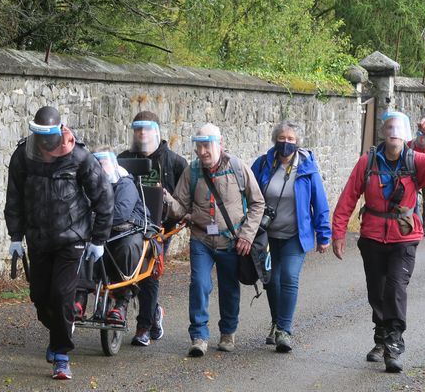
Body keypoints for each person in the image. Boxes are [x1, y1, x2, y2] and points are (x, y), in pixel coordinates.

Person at [332, 112, 425, 373]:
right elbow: (348, 197)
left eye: (398, 128)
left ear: (407, 134)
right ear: (383, 132)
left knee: (396, 288)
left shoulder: (415, 161)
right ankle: (381, 337)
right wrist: (338, 232)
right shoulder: (367, 162)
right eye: (389, 127)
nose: (393, 132)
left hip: (404, 238)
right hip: (372, 237)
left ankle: (394, 344)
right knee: (377, 291)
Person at [4, 106, 113, 380]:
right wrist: (15, 236)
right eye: (38, 137)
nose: (44, 145)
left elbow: (103, 197)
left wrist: (98, 239)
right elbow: (14, 198)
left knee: (62, 295)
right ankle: (57, 337)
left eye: (48, 138)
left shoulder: (79, 157)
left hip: (71, 239)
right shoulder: (23, 156)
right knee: (40, 297)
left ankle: (62, 356)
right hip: (38, 239)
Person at [164, 123, 264, 357]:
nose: (202, 151)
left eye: (207, 145)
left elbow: (258, 204)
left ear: (220, 144)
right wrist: (166, 199)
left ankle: (228, 331)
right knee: (199, 284)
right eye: (198, 146)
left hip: (231, 241)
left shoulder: (238, 168)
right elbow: (180, 208)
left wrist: (247, 235)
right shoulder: (192, 171)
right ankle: (199, 336)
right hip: (201, 239)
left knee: (229, 288)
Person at [251, 121, 331, 353]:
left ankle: (284, 330)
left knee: (288, 276)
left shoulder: (307, 168)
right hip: (266, 236)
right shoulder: (263, 164)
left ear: (298, 143)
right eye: (282, 138)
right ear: (275, 139)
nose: (286, 143)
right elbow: (249, 194)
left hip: (295, 235)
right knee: (270, 280)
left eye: (291, 139)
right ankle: (276, 323)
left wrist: (324, 234)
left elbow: (320, 203)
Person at [117, 111, 188, 346]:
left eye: (146, 129)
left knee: (148, 275)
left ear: (156, 130)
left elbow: (184, 198)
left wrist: (179, 213)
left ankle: (143, 327)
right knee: (125, 271)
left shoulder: (175, 162)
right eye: (138, 129)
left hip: (159, 229)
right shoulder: (123, 159)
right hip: (128, 226)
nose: (142, 133)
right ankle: (153, 311)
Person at [74, 147, 150, 325]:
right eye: (96, 163)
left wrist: (91, 220)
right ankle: (79, 299)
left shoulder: (125, 184)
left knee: (128, 246)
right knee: (80, 245)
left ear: (113, 164)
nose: (100, 167)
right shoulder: (87, 188)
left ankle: (121, 304)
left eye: (104, 163)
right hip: (100, 234)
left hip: (126, 231)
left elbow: (120, 213)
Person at [407, 131, 425, 236]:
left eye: (424, 136)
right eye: (420, 136)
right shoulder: (410, 144)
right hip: (413, 176)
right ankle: (414, 224)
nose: (422, 139)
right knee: (412, 201)